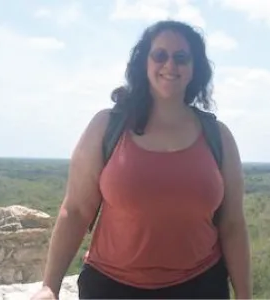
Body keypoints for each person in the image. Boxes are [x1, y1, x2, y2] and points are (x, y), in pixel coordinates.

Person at [31, 20, 252, 299]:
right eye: (159, 55)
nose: (170, 65)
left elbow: (232, 224)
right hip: (112, 286)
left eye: (181, 57)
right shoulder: (107, 127)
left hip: (200, 284)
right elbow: (75, 211)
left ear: (194, 68)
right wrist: (49, 286)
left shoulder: (218, 137)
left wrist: (245, 295)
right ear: (144, 63)